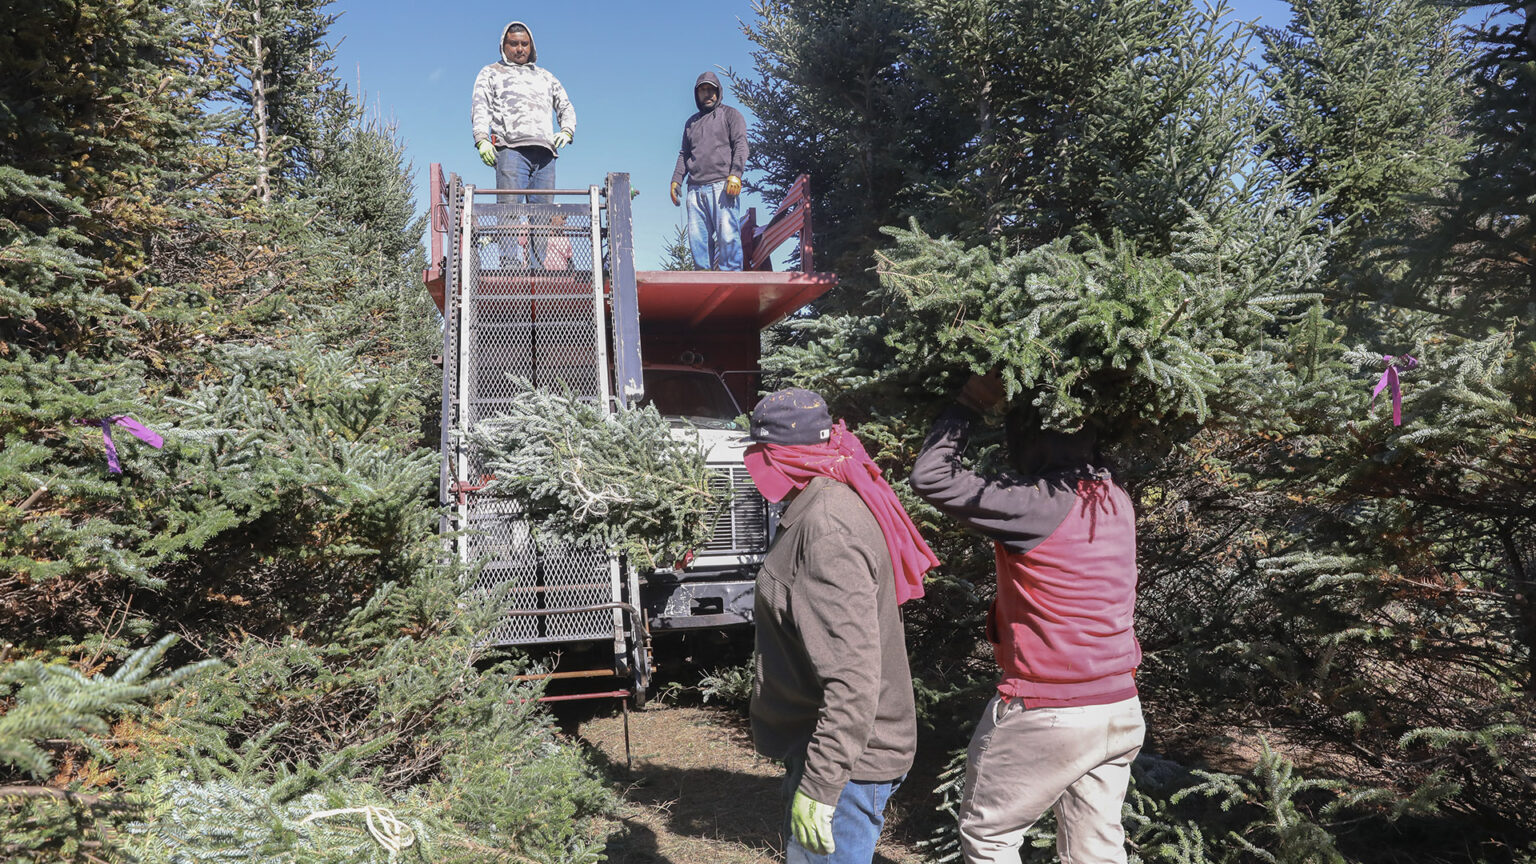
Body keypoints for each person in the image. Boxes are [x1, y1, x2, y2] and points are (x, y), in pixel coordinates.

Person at [908, 373, 1145, 864]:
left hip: (1048, 709)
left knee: (990, 838)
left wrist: (969, 403)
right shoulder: (1114, 498)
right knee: (1096, 851)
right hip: (1120, 706)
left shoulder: (1035, 505)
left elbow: (932, 476)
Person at [743, 388, 938, 864]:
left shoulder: (827, 527)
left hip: (849, 764)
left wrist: (822, 784)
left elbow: (852, 678)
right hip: (836, 751)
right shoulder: (827, 500)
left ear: (778, 458)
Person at [471, 21, 576, 267]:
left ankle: (538, 266)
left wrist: (567, 130)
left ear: (531, 46)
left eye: (524, 44)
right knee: (509, 208)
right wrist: (482, 139)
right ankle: (509, 262)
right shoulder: (491, 72)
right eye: (514, 44)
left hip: (545, 154)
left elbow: (565, 105)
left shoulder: (545, 77)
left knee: (542, 216)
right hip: (510, 150)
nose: (520, 49)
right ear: (504, 45)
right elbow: (480, 106)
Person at [670, 72, 749, 271]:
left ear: (718, 92)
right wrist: (676, 180)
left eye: (711, 90)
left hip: (722, 186)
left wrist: (736, 174)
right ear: (697, 94)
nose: (708, 94)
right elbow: (684, 154)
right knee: (698, 241)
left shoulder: (731, 115)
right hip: (695, 189)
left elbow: (741, 144)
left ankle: (731, 282)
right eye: (703, 90)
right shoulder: (691, 123)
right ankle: (703, 280)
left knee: (727, 236)